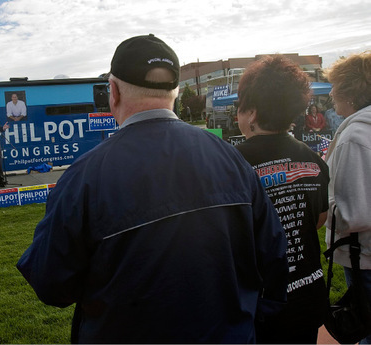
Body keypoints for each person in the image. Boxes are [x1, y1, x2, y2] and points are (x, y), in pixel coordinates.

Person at [17, 34, 288, 343]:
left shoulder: (84, 177)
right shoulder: (230, 157)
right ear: (175, 92)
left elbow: (51, 284)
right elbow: (274, 258)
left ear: (114, 92)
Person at [235, 55, 329, 344]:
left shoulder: (232, 164)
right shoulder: (313, 160)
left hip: (260, 305)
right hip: (308, 297)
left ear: (250, 112)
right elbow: (319, 221)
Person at [324, 51, 371, 344]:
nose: (330, 94)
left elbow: (353, 215)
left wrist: (317, 206)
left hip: (364, 258)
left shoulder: (355, 136)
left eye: (334, 87)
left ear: (349, 92)